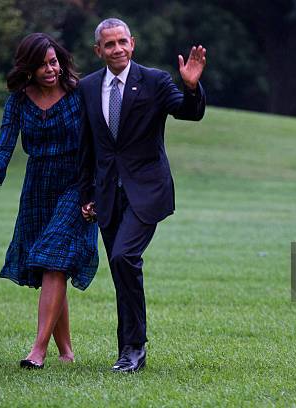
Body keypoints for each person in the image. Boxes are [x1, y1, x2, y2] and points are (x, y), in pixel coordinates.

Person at [77, 18, 206, 372]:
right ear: (98, 50)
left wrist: (192, 88)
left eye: (122, 42)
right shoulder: (88, 88)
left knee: (123, 257)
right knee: (122, 272)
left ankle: (134, 347)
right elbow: (89, 147)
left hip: (146, 191)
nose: (116, 49)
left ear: (132, 43)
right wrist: (86, 193)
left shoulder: (154, 81)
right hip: (106, 194)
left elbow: (188, 113)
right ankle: (129, 351)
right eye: (109, 44)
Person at [0, 33, 99, 369]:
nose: (50, 69)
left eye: (53, 62)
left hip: (77, 183)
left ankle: (38, 350)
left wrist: (97, 192)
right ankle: (67, 352)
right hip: (38, 187)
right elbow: (4, 145)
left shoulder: (79, 94)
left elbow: (101, 141)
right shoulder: (19, 101)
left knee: (55, 256)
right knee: (51, 265)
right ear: (28, 69)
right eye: (42, 64)